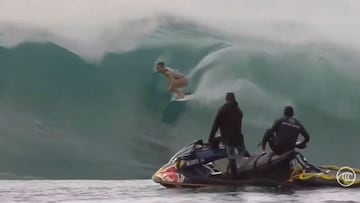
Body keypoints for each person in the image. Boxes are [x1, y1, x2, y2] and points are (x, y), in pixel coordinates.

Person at [208, 92, 248, 177]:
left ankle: (234, 179)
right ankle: (249, 167)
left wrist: (210, 138)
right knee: (243, 152)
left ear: (226, 99)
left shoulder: (222, 110)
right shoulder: (239, 110)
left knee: (232, 157)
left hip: (228, 138)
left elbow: (215, 125)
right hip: (238, 137)